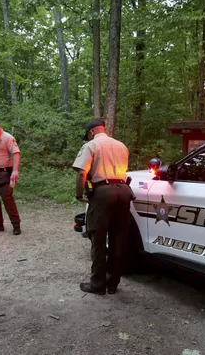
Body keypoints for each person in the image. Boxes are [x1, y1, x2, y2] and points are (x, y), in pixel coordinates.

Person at [72, 118, 132, 295]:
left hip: (103, 193)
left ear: (91, 132)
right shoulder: (121, 146)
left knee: (98, 238)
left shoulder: (91, 145)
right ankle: (113, 284)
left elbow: (82, 173)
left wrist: (78, 195)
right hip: (124, 191)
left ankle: (98, 285)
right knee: (118, 239)